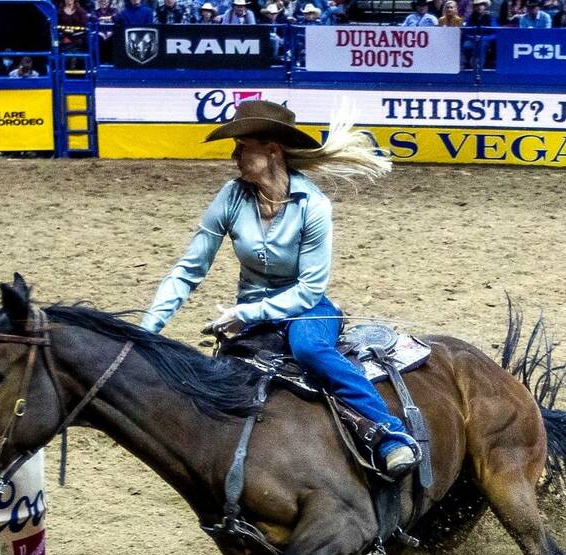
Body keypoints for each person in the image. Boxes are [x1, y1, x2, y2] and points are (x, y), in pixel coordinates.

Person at [139, 101, 420, 478]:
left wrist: (245, 313)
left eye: (243, 146)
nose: (234, 155)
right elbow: (189, 269)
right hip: (251, 312)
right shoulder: (231, 196)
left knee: (310, 349)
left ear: (272, 150)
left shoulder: (314, 205)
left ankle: (390, 434)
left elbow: (309, 289)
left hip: (307, 309)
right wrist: (147, 328)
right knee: (223, 376)